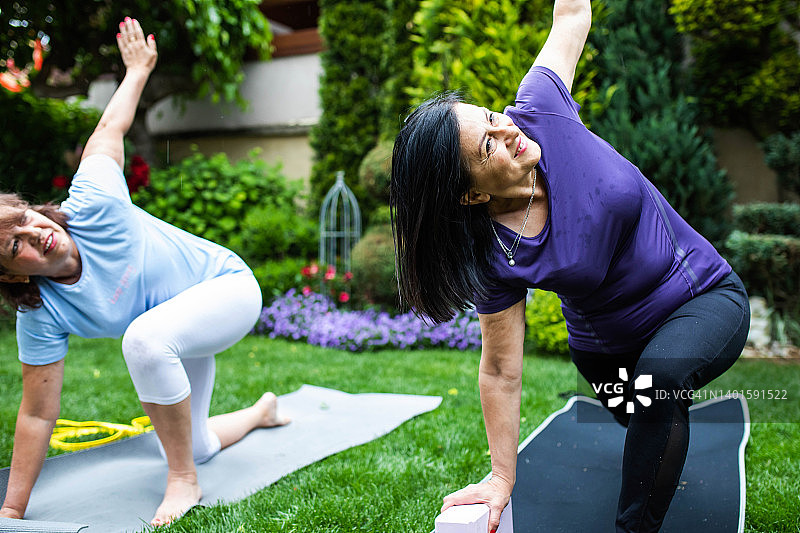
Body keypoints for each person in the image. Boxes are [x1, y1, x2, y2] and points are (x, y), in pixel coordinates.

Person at [390, 1, 750, 532]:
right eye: (490, 144)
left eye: (492, 117)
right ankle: (661, 409)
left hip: (700, 295)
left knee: (663, 378)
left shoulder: (541, 106)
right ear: (469, 195)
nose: (509, 130)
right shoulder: (491, 252)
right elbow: (500, 368)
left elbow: (572, 15)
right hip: (606, 355)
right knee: (649, 410)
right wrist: (500, 476)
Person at [0, 18, 289, 527]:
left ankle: (182, 482)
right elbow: (37, 413)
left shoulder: (94, 203)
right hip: (171, 334)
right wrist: (11, 509)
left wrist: (137, 70)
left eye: (25, 218)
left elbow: (108, 129)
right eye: (14, 245)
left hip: (227, 290)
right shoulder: (42, 313)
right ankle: (260, 413)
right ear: (10, 277)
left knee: (143, 340)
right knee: (194, 443)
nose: (35, 233)